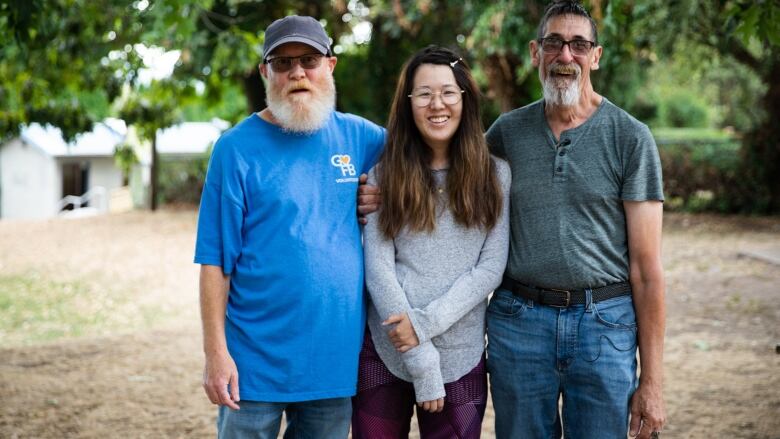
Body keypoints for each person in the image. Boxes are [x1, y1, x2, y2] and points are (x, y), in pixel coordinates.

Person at [194, 15, 384, 439]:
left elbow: (426, 170)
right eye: (282, 62)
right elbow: (214, 262)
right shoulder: (234, 149)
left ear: (330, 66)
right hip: (251, 366)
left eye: (309, 60)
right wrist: (215, 353)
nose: (297, 72)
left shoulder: (362, 138)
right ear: (266, 72)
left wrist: (384, 195)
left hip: (332, 365)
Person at [484, 1, 667, 439]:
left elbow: (646, 270)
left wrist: (654, 384)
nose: (566, 56)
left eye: (579, 45)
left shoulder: (630, 137)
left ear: (596, 56)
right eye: (554, 43)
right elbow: (451, 195)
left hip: (604, 327)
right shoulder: (506, 133)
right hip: (518, 324)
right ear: (535, 52)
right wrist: (379, 191)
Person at [352, 46, 511, 438]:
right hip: (386, 350)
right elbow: (377, 268)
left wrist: (423, 325)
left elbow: (490, 269)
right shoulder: (383, 175)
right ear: (408, 104)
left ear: (465, 98)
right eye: (423, 93)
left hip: (461, 355)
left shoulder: (497, 175)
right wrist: (421, 359)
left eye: (447, 92)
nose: (436, 104)